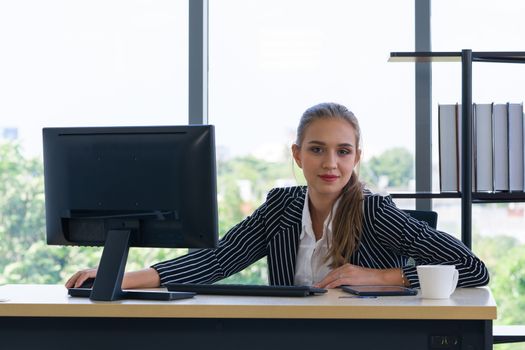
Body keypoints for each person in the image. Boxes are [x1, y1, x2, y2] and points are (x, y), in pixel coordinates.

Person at [66, 102, 489, 290]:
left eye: (343, 152)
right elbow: (216, 259)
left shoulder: (374, 211)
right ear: (297, 155)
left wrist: (379, 277)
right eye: (317, 149)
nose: (331, 163)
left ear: (357, 157)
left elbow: (471, 268)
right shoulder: (281, 208)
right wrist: (120, 278)